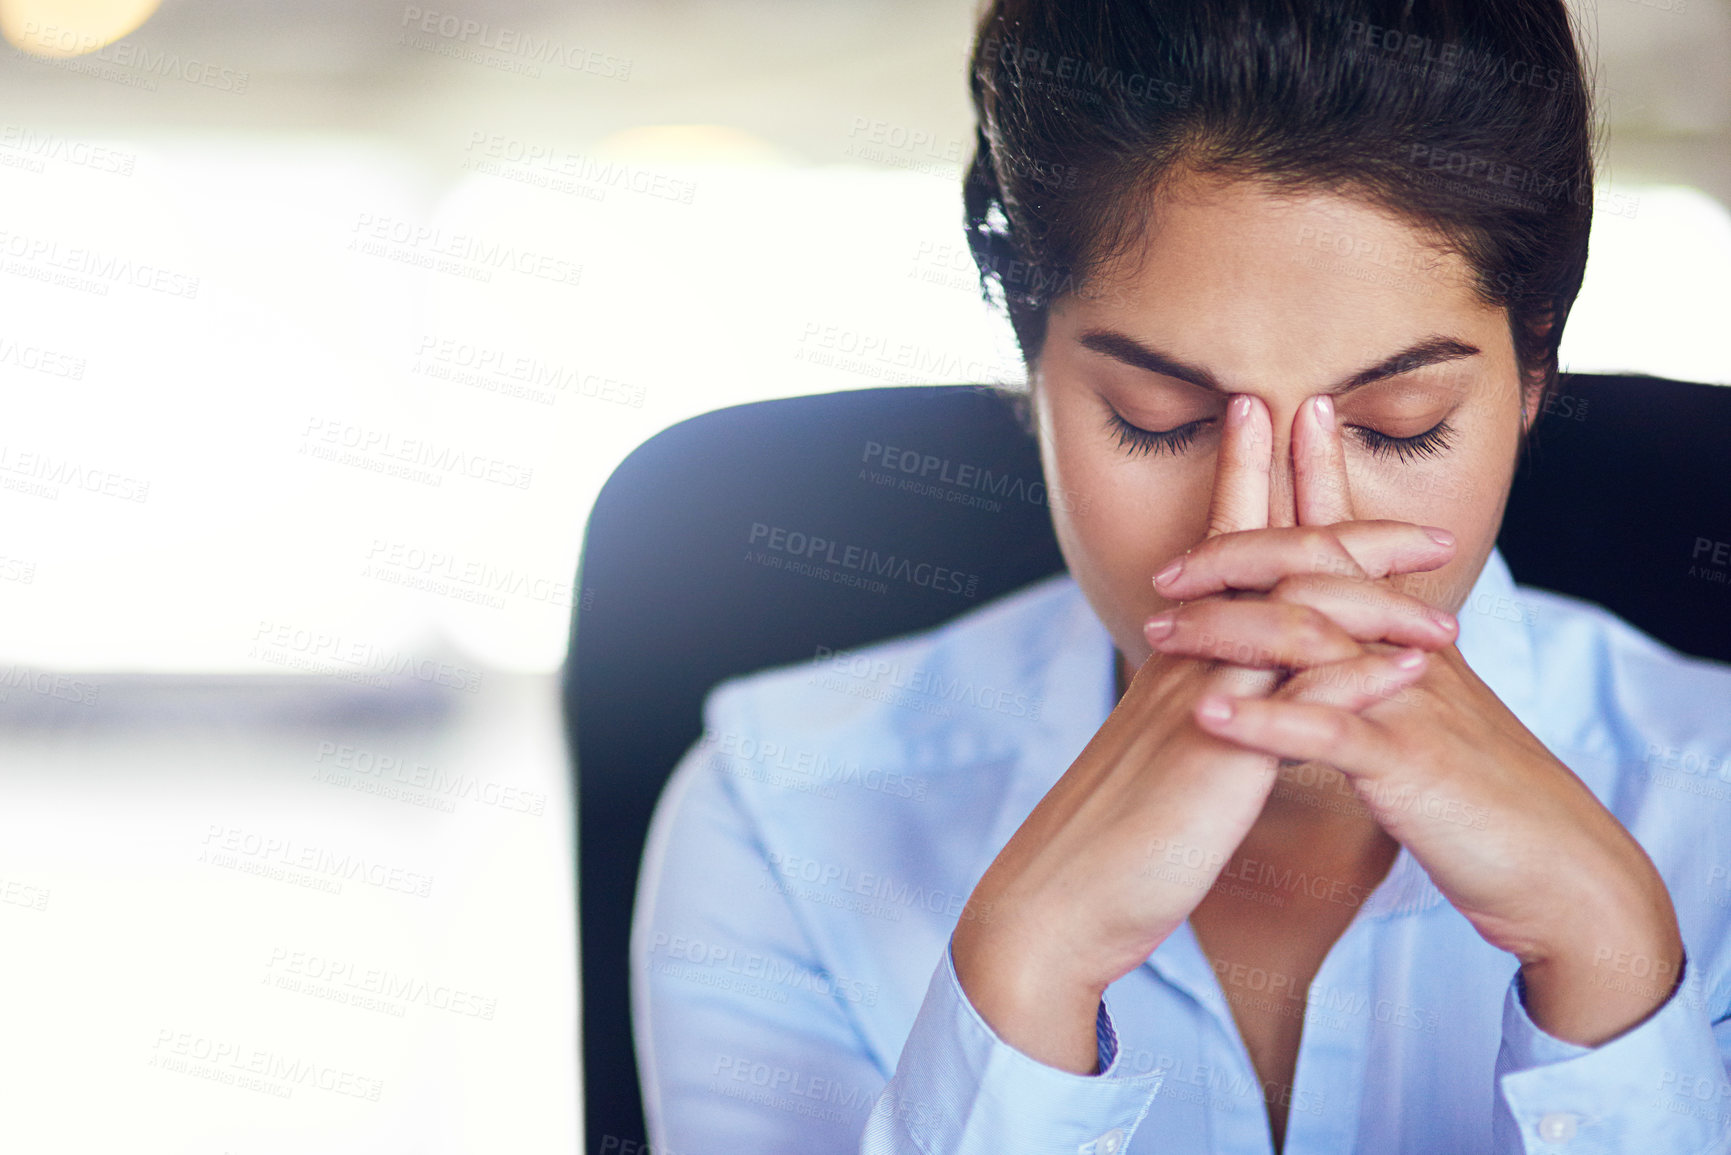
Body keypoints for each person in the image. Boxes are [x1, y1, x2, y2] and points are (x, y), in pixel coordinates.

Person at [631, 1, 1731, 1151]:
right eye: (1161, 421)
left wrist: (1614, 979)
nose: (1281, 534)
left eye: (1400, 425)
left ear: (1535, 376)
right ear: (1030, 355)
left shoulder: (1713, 814)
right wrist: (1024, 982)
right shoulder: (783, 819)